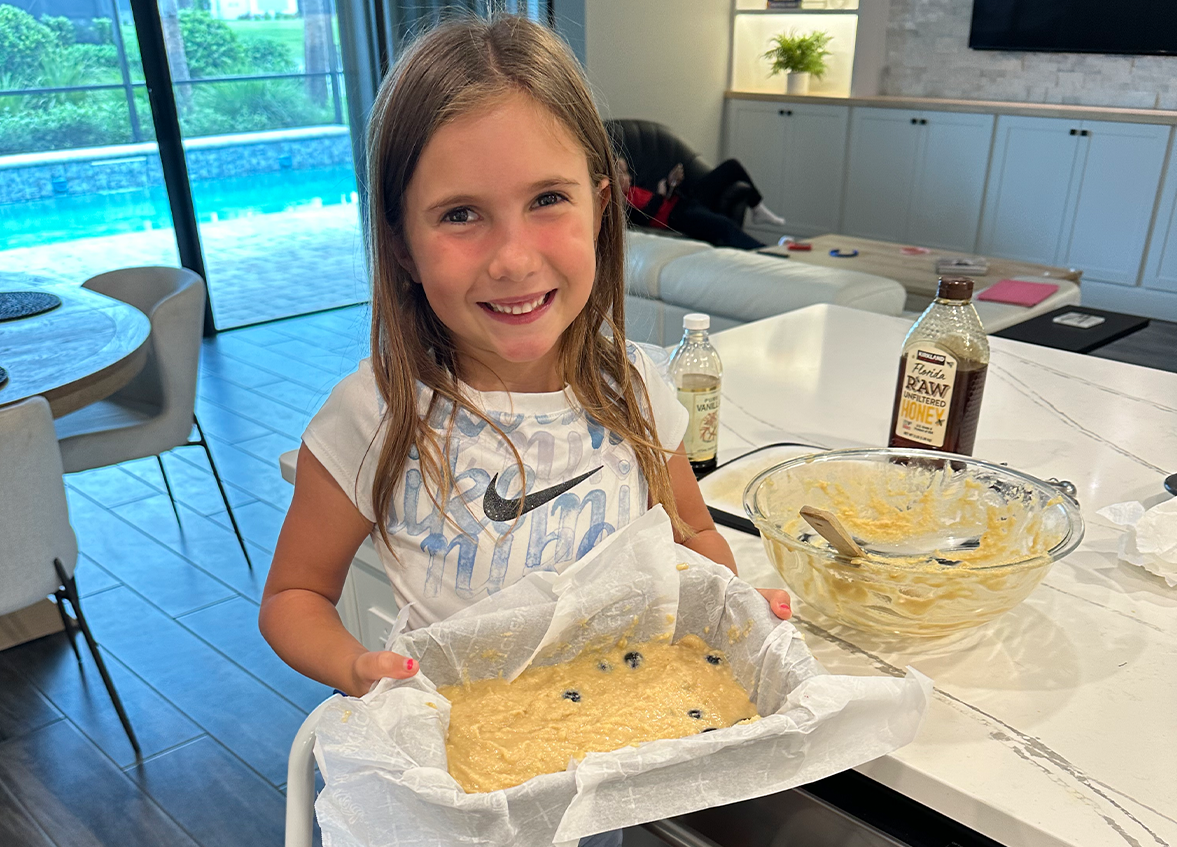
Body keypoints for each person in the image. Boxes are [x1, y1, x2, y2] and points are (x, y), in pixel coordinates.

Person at [259, 16, 792, 841]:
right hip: (457, 791)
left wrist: (735, 605)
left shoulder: (641, 389)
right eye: (461, 214)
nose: (512, 258)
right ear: (399, 243)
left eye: (547, 199)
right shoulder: (377, 414)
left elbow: (689, 530)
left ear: (601, 205)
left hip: (602, 762)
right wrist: (355, 668)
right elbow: (293, 595)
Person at [617, 156, 786, 249]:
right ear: (612, 177)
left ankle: (757, 208)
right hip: (679, 217)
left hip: (684, 200)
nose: (630, 177)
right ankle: (765, 250)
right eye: (624, 173)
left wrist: (670, 184)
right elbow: (645, 218)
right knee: (724, 226)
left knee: (732, 166)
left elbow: (659, 199)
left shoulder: (634, 189)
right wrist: (660, 195)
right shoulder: (620, 203)